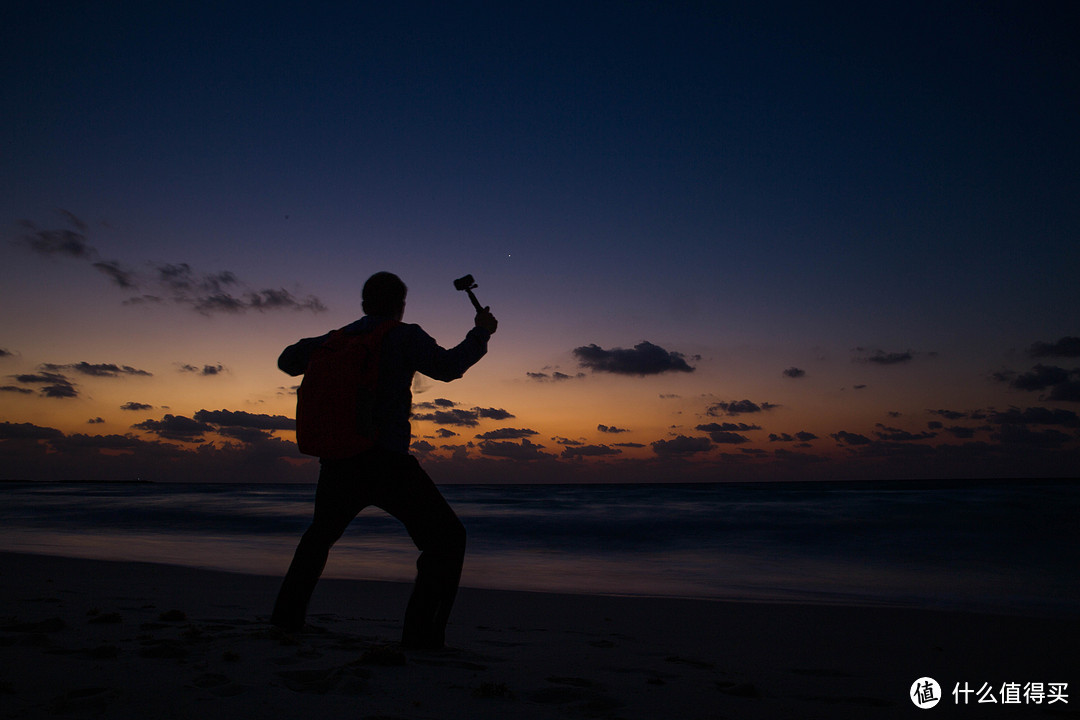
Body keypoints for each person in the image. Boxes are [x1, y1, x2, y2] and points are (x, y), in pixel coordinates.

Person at [271, 271, 497, 649]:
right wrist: (481, 333)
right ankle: (422, 638)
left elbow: (287, 360)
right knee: (446, 540)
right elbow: (448, 367)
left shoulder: (334, 339)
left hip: (338, 460)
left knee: (318, 538)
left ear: (363, 304)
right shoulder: (404, 335)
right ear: (400, 305)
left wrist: (329, 345)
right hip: (385, 461)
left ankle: (285, 620)